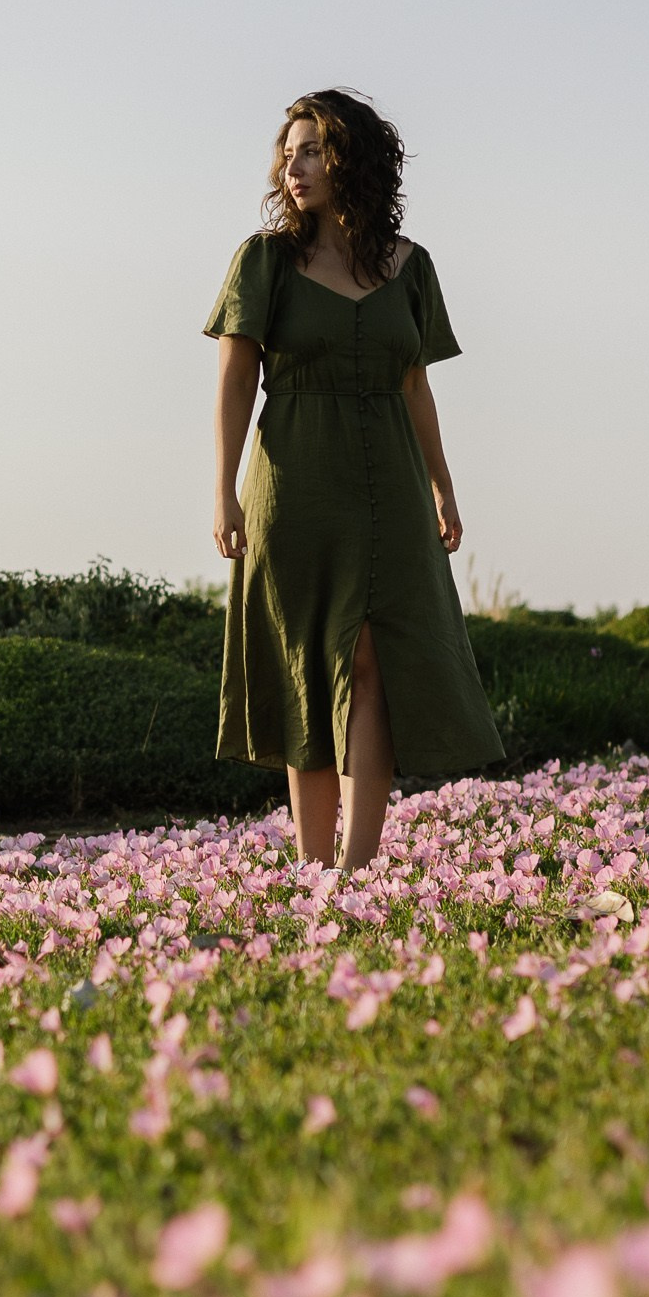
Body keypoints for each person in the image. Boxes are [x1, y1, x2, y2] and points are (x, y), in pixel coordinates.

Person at [206, 89, 504, 868]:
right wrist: (224, 491)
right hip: (293, 483)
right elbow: (235, 382)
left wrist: (443, 485)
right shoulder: (265, 261)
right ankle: (314, 870)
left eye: (311, 151)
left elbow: (416, 385)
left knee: (374, 662)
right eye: (288, 154)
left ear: (351, 160)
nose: (294, 167)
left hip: (391, 487)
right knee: (307, 666)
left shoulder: (411, 266)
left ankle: (356, 868)